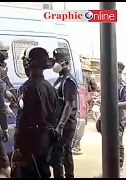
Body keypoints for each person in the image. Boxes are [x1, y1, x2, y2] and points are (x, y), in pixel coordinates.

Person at [12, 46, 58, 178]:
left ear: (27, 64)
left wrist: (17, 146)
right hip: (46, 140)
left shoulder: (26, 87)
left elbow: (22, 118)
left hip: (29, 141)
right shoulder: (51, 88)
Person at [96, 62, 126, 177]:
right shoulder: (109, 85)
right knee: (107, 146)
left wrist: (113, 104)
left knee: (118, 145)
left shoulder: (123, 87)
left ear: (119, 72)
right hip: (106, 119)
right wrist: (100, 117)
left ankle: (118, 171)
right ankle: (108, 170)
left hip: (117, 121)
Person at [50, 47, 78, 178]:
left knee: (57, 155)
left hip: (66, 124)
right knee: (65, 153)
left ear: (66, 61)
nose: (55, 63)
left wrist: (60, 125)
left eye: (58, 60)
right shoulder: (60, 79)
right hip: (60, 122)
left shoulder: (69, 81)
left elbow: (69, 105)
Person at [72, 75, 98, 155]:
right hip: (81, 113)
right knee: (79, 130)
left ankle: (75, 146)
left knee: (77, 129)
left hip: (79, 112)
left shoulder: (80, 88)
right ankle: (75, 146)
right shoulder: (83, 89)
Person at [0, 40, 18, 105]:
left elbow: (5, 79)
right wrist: (5, 91)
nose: (6, 53)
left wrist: (12, 91)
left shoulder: (2, 64)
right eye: (4, 51)